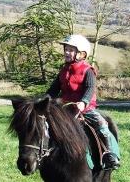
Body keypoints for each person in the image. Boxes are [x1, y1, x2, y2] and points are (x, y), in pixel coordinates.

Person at [46, 34, 120, 170]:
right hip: (65, 108)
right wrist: (44, 100)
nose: (67, 52)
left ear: (81, 53)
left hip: (85, 109)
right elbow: (53, 89)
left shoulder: (88, 71)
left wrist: (84, 102)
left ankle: (109, 154)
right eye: (66, 49)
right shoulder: (63, 71)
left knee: (102, 124)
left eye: (70, 50)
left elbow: (90, 88)